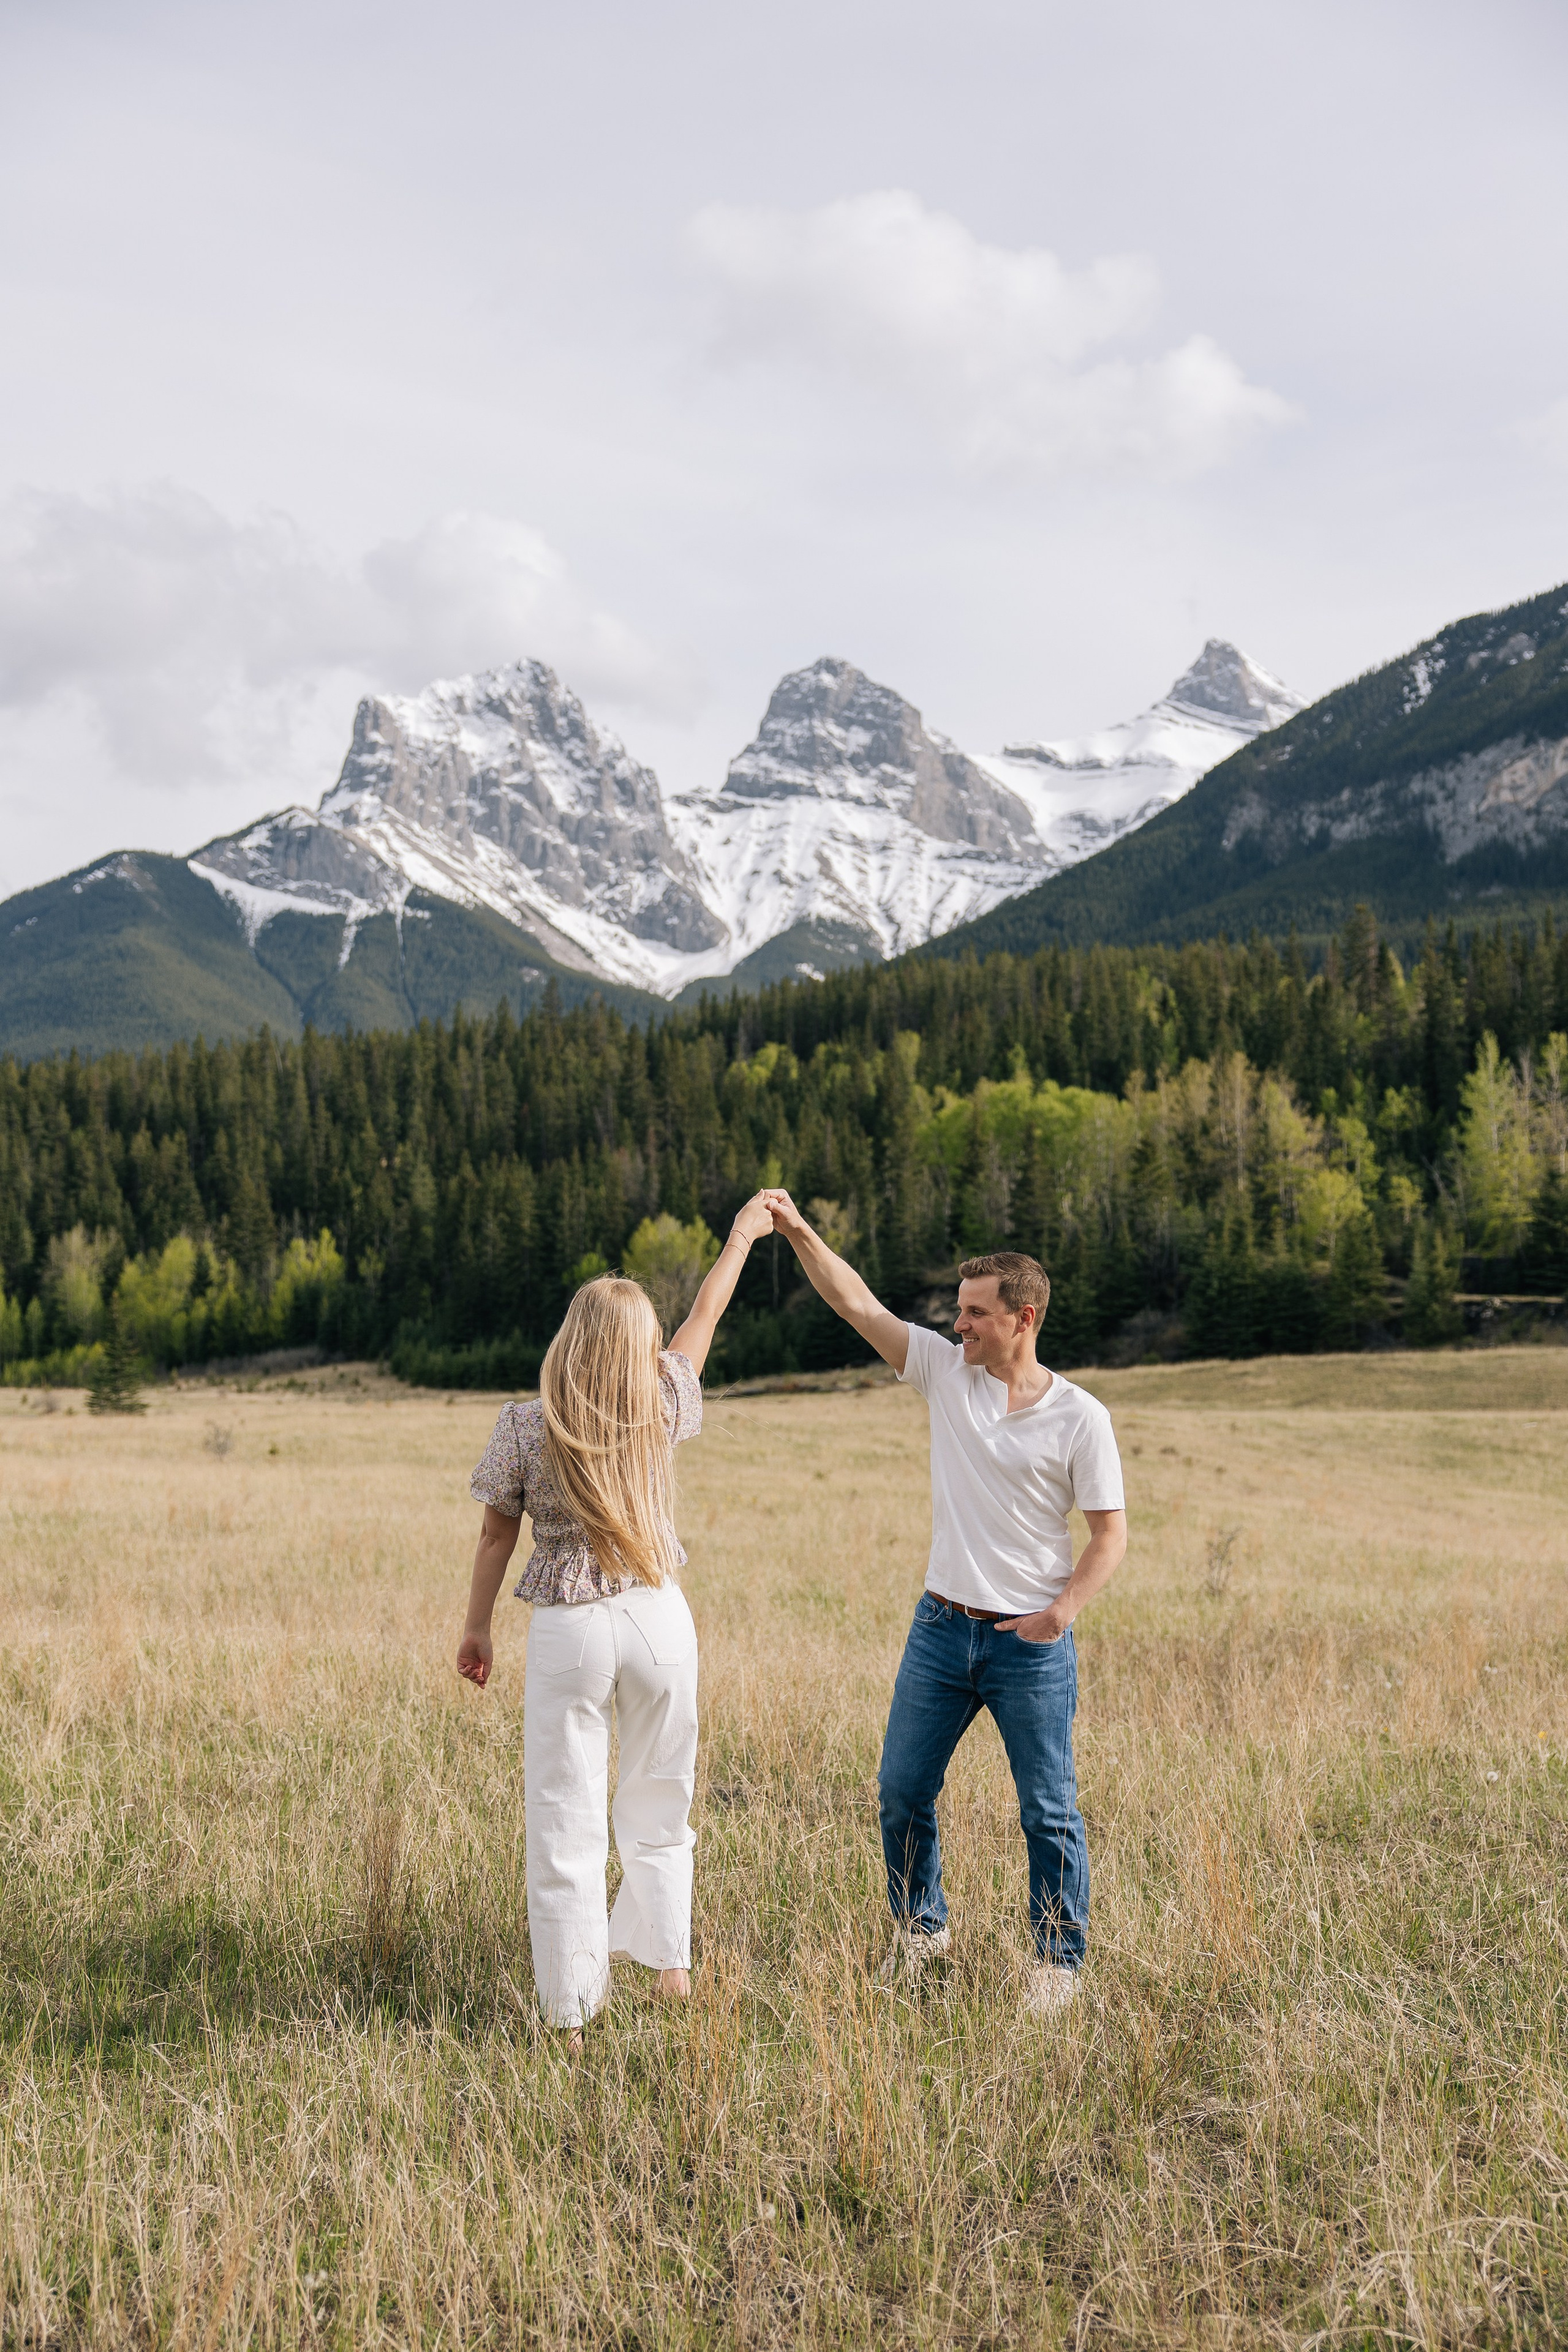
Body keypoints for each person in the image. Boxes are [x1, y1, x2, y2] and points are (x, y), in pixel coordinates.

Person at [764, 1194, 1126, 2018]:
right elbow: (856, 1302)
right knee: (900, 1790)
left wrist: (1059, 1614)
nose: (956, 1326)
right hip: (939, 1631)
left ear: (1021, 1318)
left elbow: (1110, 1536)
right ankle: (921, 1932)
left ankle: (1057, 1960)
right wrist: (799, 1233)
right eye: (956, 1312)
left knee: (1048, 1811)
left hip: (1028, 1644)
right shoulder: (942, 1372)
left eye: (974, 1313)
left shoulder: (1080, 1418)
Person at [458, 1193, 775, 2046]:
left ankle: (570, 2012)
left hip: (571, 1628)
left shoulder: (528, 1425)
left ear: (569, 1338)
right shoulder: (661, 1403)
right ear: (640, 1347)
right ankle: (671, 1968)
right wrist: (743, 1234)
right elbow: (704, 1317)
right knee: (661, 1799)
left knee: (565, 1819)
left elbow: (496, 1533)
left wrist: (478, 1628)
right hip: (659, 1619)